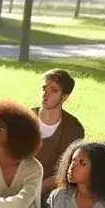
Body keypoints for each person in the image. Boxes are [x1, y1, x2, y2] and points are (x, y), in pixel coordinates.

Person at [33, 69, 85, 197]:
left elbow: (68, 170)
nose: (46, 93)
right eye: (44, 87)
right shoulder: (25, 118)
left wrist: (39, 188)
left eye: (53, 90)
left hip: (49, 192)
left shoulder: (73, 129)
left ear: (64, 97)